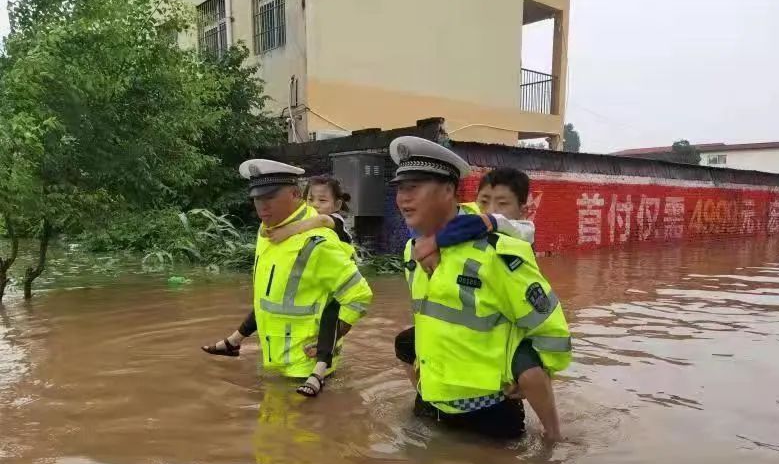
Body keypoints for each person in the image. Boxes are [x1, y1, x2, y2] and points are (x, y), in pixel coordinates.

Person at [391, 136, 571, 441]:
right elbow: (429, 319)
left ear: (448, 190)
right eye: (400, 188)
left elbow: (550, 328)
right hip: (430, 404)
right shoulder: (413, 251)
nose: (403, 198)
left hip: (488, 417)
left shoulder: (498, 253)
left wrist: (534, 373)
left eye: (414, 187)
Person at [205, 159, 372, 391]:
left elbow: (359, 296)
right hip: (274, 365)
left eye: (269, 197)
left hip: (304, 372)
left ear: (295, 194)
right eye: (256, 198)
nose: (261, 206)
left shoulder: (318, 240)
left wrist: (328, 344)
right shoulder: (266, 231)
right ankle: (233, 343)